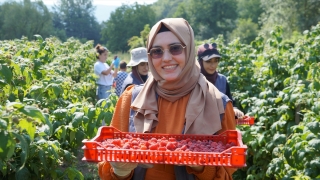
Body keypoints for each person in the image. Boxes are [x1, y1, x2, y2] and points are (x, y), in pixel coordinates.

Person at [97, 18, 237, 180]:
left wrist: (202, 166)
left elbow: (227, 173)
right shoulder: (131, 99)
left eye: (175, 48)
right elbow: (108, 168)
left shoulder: (218, 103)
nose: (166, 58)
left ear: (189, 49)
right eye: (157, 51)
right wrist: (120, 171)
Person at [197, 43, 244, 118]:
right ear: (200, 62)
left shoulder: (222, 80)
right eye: (208, 61)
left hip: (221, 124)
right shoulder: (194, 80)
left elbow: (230, 102)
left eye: (216, 61)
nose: (213, 65)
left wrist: (234, 109)